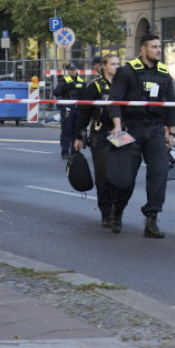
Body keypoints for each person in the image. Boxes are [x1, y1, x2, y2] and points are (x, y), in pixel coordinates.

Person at [106, 34, 175, 239]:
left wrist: (170, 130)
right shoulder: (127, 71)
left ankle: (151, 219)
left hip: (155, 130)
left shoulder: (165, 74)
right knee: (126, 179)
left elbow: (171, 103)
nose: (158, 50)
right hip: (132, 129)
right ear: (143, 49)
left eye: (159, 47)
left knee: (159, 174)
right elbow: (115, 100)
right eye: (154, 47)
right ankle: (116, 211)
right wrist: (117, 126)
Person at [73, 55, 128, 232]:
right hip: (101, 134)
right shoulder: (95, 86)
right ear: (103, 66)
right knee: (104, 176)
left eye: (119, 64)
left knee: (122, 176)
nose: (116, 67)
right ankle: (106, 211)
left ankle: (116, 210)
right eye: (112, 64)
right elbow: (84, 112)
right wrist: (78, 135)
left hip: (121, 134)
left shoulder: (124, 85)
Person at [54, 63, 85, 159]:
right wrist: (65, 87)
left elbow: (86, 94)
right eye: (71, 70)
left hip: (78, 108)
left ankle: (74, 151)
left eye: (74, 69)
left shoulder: (81, 80)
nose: (73, 71)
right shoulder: (64, 80)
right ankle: (65, 152)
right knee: (66, 130)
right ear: (68, 71)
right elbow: (56, 92)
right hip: (67, 108)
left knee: (76, 131)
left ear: (77, 70)